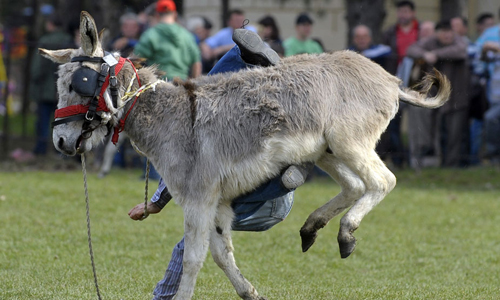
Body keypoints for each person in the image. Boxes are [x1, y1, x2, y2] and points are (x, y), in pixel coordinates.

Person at [129, 29, 314, 300]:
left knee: (194, 235)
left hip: (268, 199)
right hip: (275, 187)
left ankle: (165, 297)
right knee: (209, 97)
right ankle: (242, 57)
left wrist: (157, 202)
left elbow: (188, 165)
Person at [406, 20, 468, 167]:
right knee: (434, 132)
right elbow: (411, 50)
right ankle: (437, 164)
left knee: (454, 134)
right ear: (437, 33)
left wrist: (435, 54)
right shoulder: (430, 41)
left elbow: (460, 52)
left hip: (457, 96)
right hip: (436, 95)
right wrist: (424, 54)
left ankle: (451, 165)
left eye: (449, 32)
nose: (447, 35)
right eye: (443, 32)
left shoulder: (460, 42)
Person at [379, 0, 420, 169]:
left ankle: (416, 160)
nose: (402, 15)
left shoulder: (421, 31)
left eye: (406, 11)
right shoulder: (390, 33)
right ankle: (398, 159)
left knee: (417, 123)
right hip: (396, 79)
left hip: (417, 79)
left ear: (412, 13)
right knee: (393, 121)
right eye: (400, 11)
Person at [30, 14, 73, 156]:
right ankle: (60, 150)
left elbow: (37, 68)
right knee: (62, 120)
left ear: (51, 24)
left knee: (43, 121)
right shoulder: (68, 40)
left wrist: (35, 79)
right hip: (63, 89)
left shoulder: (45, 40)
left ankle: (41, 148)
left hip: (45, 88)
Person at [134, 0, 201, 81]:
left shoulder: (150, 34)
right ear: (175, 14)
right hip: (181, 84)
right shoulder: (187, 35)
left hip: (158, 85)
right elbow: (196, 62)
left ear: (157, 15)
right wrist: (193, 83)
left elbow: (136, 60)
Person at [474, 10, 500, 163]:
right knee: (491, 122)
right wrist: (485, 51)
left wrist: (496, 47)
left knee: (491, 118)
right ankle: (494, 157)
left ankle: (493, 154)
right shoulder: (489, 33)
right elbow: (481, 58)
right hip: (494, 92)